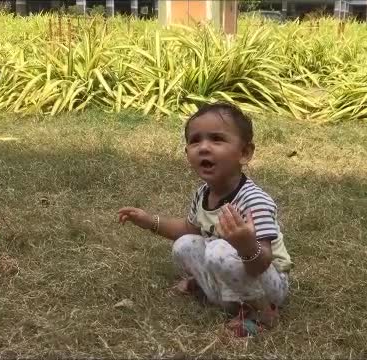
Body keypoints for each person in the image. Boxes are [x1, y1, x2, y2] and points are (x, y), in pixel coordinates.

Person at [117, 102, 293, 337]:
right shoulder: (202, 194)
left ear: (245, 153)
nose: (204, 147)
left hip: (268, 281)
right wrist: (151, 222)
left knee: (218, 249)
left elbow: (262, 262)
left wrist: (246, 245)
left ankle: (262, 312)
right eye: (195, 140)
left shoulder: (254, 200)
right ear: (186, 153)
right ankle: (220, 295)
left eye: (217, 139)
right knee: (185, 245)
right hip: (233, 268)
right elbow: (189, 229)